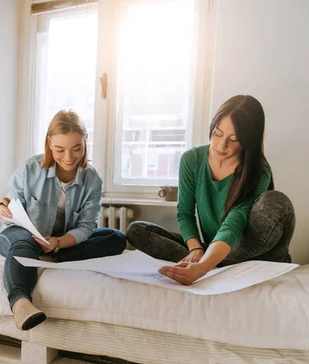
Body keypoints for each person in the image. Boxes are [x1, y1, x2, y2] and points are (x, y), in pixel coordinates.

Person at [126, 95, 295, 285]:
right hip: (212, 248)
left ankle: (210, 264)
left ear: (249, 140)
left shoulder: (258, 170)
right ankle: (211, 263)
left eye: (234, 139)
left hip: (246, 248)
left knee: (276, 202)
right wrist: (195, 250)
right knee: (137, 230)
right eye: (218, 133)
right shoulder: (192, 160)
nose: (221, 146)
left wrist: (202, 267)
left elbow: (235, 222)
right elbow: (185, 213)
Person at [0, 110, 126, 331]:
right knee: (24, 241)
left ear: (85, 142)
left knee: (117, 237)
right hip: (21, 234)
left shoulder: (92, 180)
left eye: (77, 148)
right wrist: (3, 205)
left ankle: (53, 255)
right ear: (49, 143)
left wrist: (58, 243)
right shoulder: (30, 169)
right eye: (59, 150)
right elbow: (9, 202)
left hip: (58, 243)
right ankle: (20, 302)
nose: (68, 157)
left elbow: (86, 226)